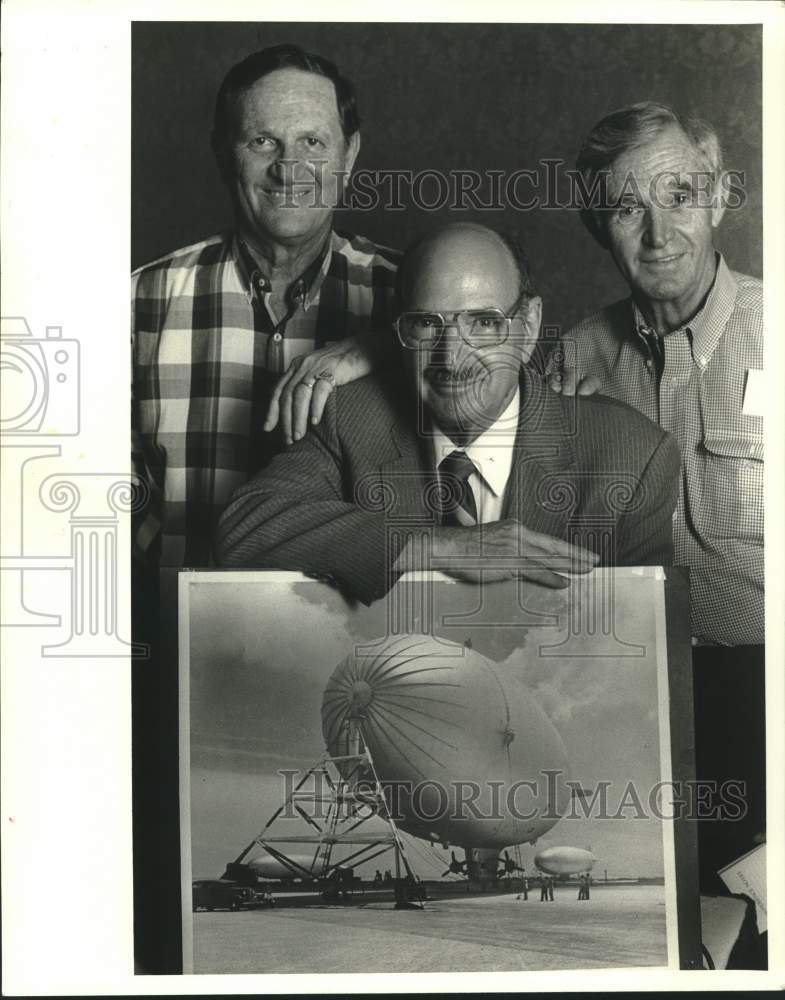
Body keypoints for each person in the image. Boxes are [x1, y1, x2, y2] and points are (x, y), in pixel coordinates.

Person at [216, 222, 680, 597]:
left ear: (529, 324)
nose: (451, 358)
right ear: (398, 329)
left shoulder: (632, 455)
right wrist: (434, 548)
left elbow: (642, 656)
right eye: (426, 324)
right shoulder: (348, 420)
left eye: (483, 323)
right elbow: (245, 528)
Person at [132, 44, 399, 567]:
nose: (289, 168)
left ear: (350, 153)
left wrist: (388, 346)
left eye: (313, 142)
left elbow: (511, 398)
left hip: (366, 634)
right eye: (263, 141)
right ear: (223, 153)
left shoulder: (411, 302)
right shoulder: (138, 302)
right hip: (179, 631)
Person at [547, 102, 763, 647]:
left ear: (715, 200)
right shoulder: (570, 361)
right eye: (627, 209)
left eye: (680, 198)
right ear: (599, 227)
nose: (658, 235)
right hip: (624, 680)